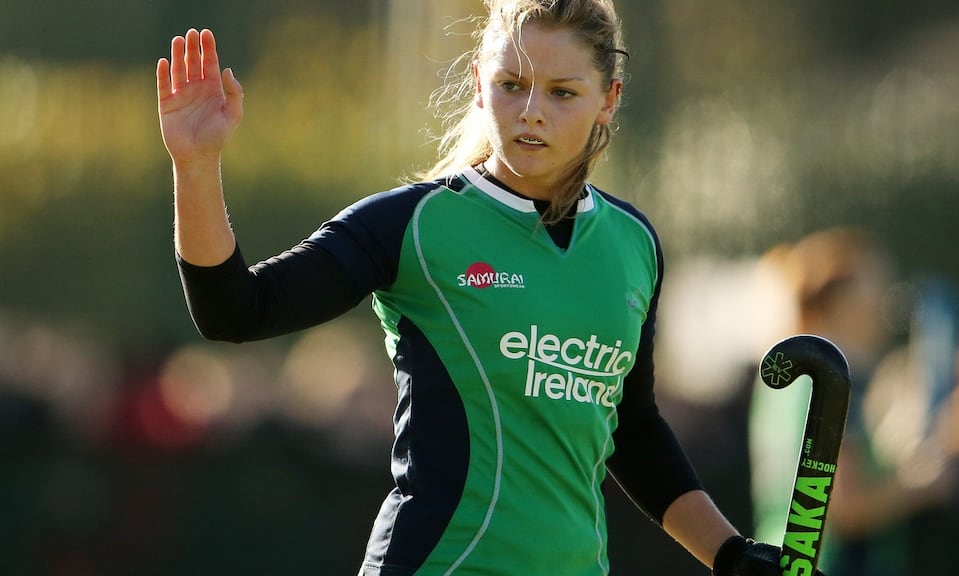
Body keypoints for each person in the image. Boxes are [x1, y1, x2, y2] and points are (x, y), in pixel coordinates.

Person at [156, 2, 813, 574]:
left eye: (563, 92)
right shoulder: (413, 223)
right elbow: (235, 310)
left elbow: (633, 430)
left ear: (607, 99)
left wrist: (730, 554)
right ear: (478, 85)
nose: (532, 113)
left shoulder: (633, 243)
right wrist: (196, 163)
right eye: (511, 85)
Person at [748, 227, 959, 575]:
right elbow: (840, 507)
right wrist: (920, 487)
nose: (887, 300)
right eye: (877, 285)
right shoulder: (830, 380)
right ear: (841, 300)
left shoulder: (803, 373)